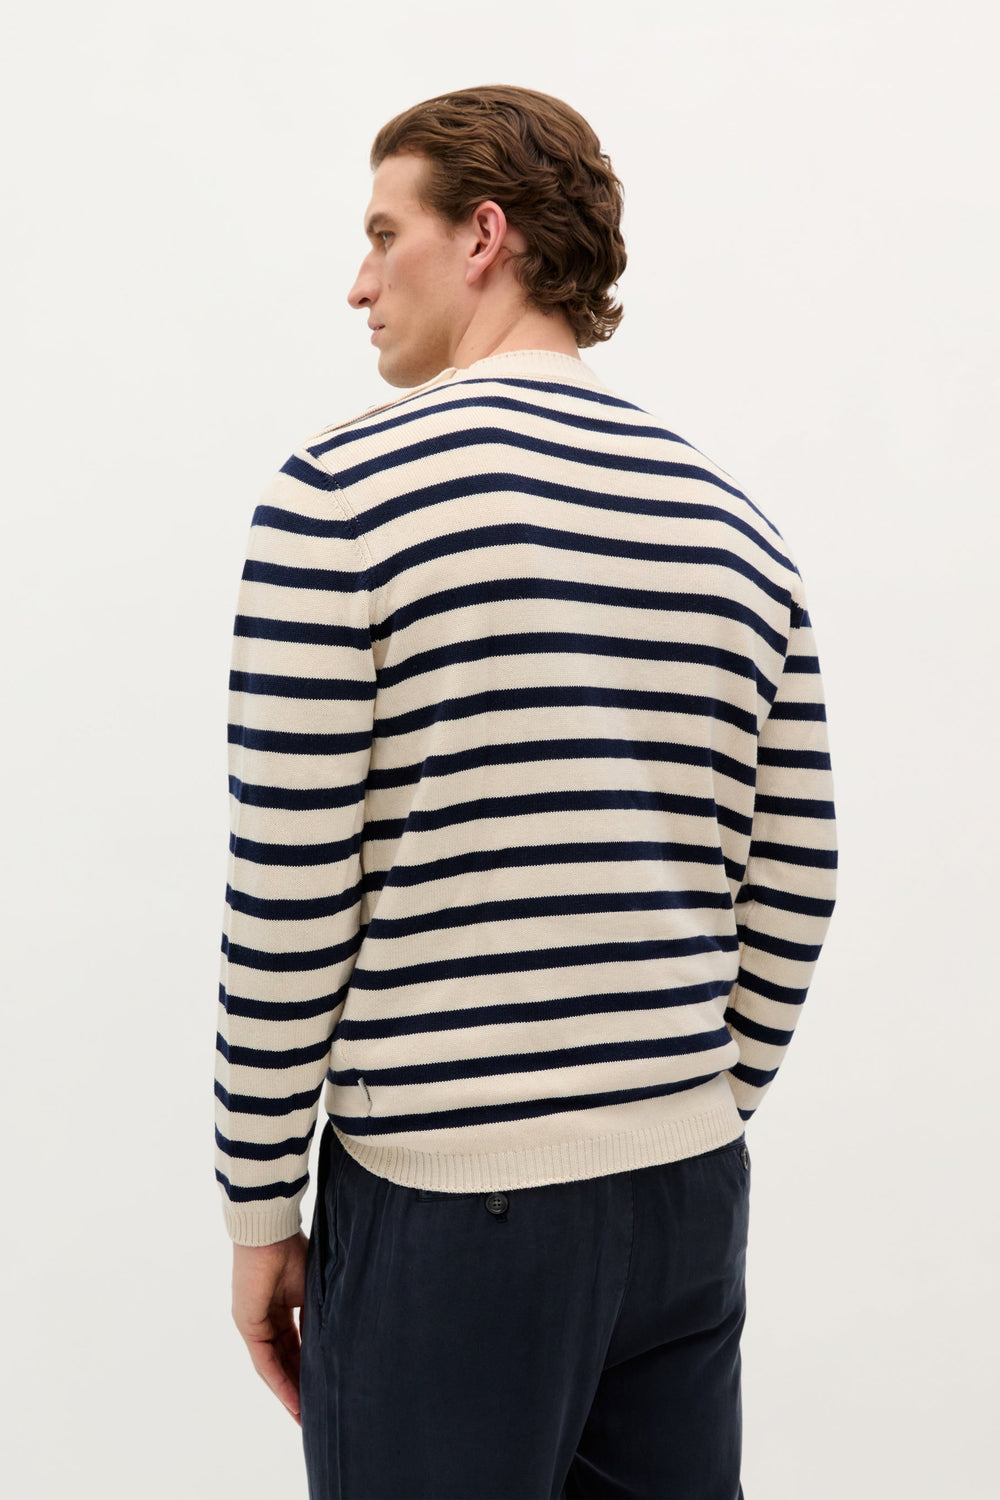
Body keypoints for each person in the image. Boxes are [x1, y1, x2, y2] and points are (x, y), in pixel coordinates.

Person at [215, 83, 838, 1500]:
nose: (359, 281)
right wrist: (681, 1105)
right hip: (686, 1193)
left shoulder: (343, 498)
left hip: (452, 1205)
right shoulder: (732, 521)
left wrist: (258, 1209)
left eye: (386, 233)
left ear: (484, 235)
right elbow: (798, 877)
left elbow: (290, 901)